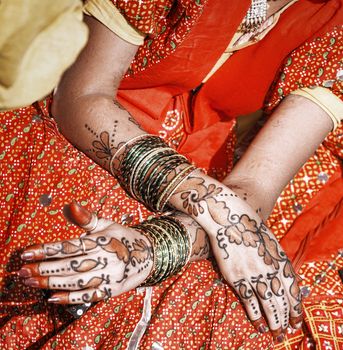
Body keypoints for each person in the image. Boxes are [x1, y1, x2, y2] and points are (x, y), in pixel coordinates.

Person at [0, 0, 342, 349]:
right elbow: (83, 94)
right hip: (78, 133)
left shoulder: (334, 23)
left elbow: (255, 187)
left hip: (199, 176)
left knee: (226, 312)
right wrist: (212, 204)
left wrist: (152, 250)